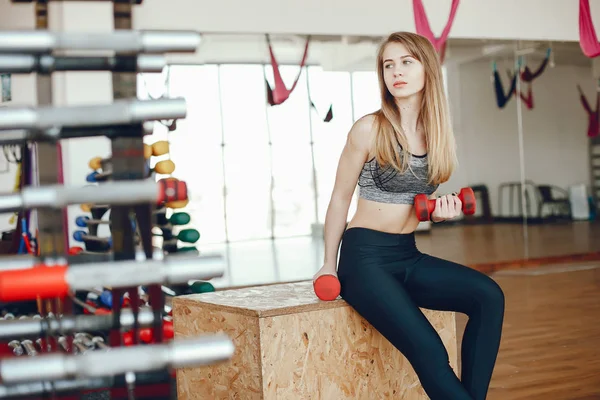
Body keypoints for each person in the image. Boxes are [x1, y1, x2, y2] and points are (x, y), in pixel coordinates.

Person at [312, 31, 505, 400]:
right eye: (388, 65)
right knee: (430, 350)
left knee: (488, 296)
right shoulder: (369, 129)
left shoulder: (437, 137)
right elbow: (340, 199)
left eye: (406, 62)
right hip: (364, 259)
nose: (395, 71)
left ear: (426, 69)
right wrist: (327, 264)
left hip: (407, 254)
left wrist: (440, 215)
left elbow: (414, 207)